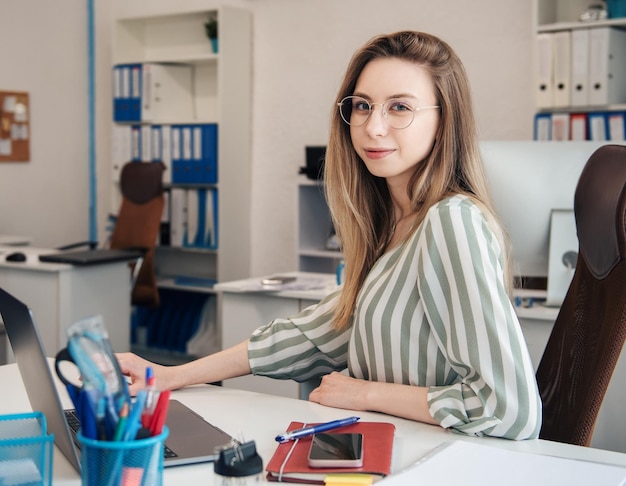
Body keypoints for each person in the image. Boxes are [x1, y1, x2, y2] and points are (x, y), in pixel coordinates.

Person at [118, 30, 542, 440]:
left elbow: (509, 409)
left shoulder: (452, 221)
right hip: (398, 450)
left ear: (444, 120)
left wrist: (365, 393)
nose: (373, 127)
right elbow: (312, 334)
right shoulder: (392, 228)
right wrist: (170, 376)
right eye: (362, 106)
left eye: (399, 108)